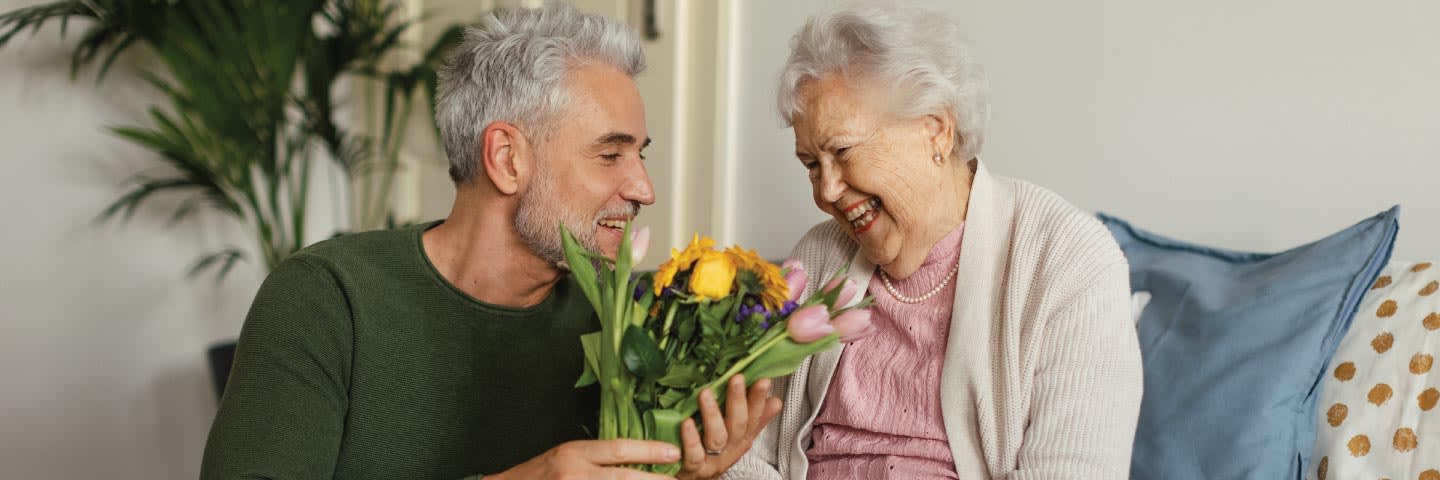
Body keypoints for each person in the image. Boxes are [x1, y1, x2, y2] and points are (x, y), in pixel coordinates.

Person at [201, 5, 779, 479]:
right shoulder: (327, 299)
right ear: (507, 159)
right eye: (610, 154)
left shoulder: (630, 321)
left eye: (640, 154)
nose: (644, 188)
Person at [722, 4, 1143, 479]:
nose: (826, 191)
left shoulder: (1067, 259)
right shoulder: (818, 258)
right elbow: (743, 453)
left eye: (841, 151)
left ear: (935, 131)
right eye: (812, 165)